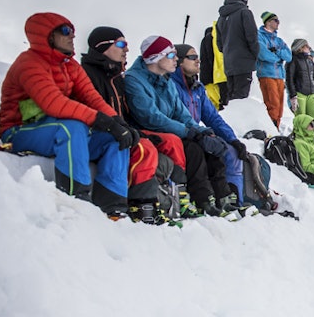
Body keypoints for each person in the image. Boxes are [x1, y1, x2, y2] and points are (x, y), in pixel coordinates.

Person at [0, 13, 136, 218]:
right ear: (46, 36)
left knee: (115, 138)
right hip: (20, 131)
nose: (72, 36)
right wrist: (100, 120)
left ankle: (113, 206)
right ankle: (75, 198)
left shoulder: (70, 66)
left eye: (73, 31)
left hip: (55, 129)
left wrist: (117, 122)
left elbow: (92, 98)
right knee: (71, 127)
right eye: (65, 31)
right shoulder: (29, 64)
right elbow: (53, 103)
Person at [123, 35, 237, 217]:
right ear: (155, 58)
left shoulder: (165, 80)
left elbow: (181, 113)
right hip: (148, 131)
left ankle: (219, 197)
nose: (175, 59)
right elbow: (151, 117)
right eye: (170, 55)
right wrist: (189, 132)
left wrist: (201, 131)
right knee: (192, 149)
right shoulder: (134, 80)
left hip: (169, 130)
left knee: (210, 144)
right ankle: (195, 199)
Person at [79, 26, 167, 222]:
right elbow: (91, 110)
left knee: (153, 145)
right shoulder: (87, 74)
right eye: (121, 44)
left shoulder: (116, 78)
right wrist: (121, 130)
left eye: (127, 45)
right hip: (94, 133)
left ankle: (157, 202)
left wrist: (135, 132)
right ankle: (129, 204)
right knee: (137, 147)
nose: (126, 49)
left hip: (115, 130)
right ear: (103, 47)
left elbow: (122, 116)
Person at [171, 43, 248, 205]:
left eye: (197, 57)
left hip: (198, 134)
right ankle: (205, 199)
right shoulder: (171, 86)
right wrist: (198, 134)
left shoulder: (198, 88)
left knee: (232, 151)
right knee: (202, 150)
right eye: (192, 57)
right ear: (179, 62)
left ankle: (235, 201)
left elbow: (213, 118)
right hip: (182, 135)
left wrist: (233, 139)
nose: (198, 60)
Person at [216, 0, 259, 102]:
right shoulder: (244, 12)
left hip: (229, 63)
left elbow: (219, 44)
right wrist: (256, 55)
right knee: (242, 99)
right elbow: (252, 36)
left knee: (232, 99)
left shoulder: (221, 17)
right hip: (244, 62)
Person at [255, 11, 292, 130]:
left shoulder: (279, 40)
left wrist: (276, 51)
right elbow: (263, 55)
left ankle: (275, 128)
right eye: (276, 21)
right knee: (272, 104)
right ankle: (270, 128)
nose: (278, 23)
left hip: (280, 76)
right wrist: (278, 58)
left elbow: (289, 56)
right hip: (266, 74)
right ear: (268, 21)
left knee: (280, 107)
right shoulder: (259, 36)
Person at [286, 38, 314, 123]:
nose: (309, 48)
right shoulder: (292, 61)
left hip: (312, 93)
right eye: (306, 46)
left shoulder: (309, 61)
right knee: (302, 119)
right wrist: (293, 96)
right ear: (300, 48)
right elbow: (289, 79)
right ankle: (300, 136)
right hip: (299, 93)